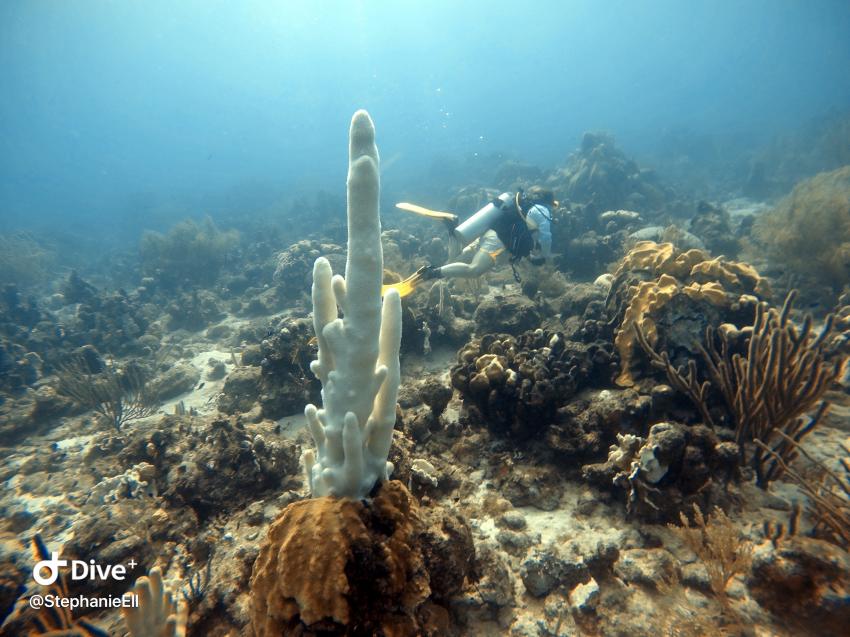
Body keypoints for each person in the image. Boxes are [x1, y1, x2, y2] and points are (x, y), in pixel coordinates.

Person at [420, 186, 555, 282]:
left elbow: (523, 236)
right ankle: (432, 273)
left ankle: (451, 229)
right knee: (474, 270)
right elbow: (546, 237)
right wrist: (545, 255)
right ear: (548, 201)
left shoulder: (524, 204)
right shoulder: (541, 210)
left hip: (490, 233)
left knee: (453, 261)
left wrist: (531, 256)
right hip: (498, 244)